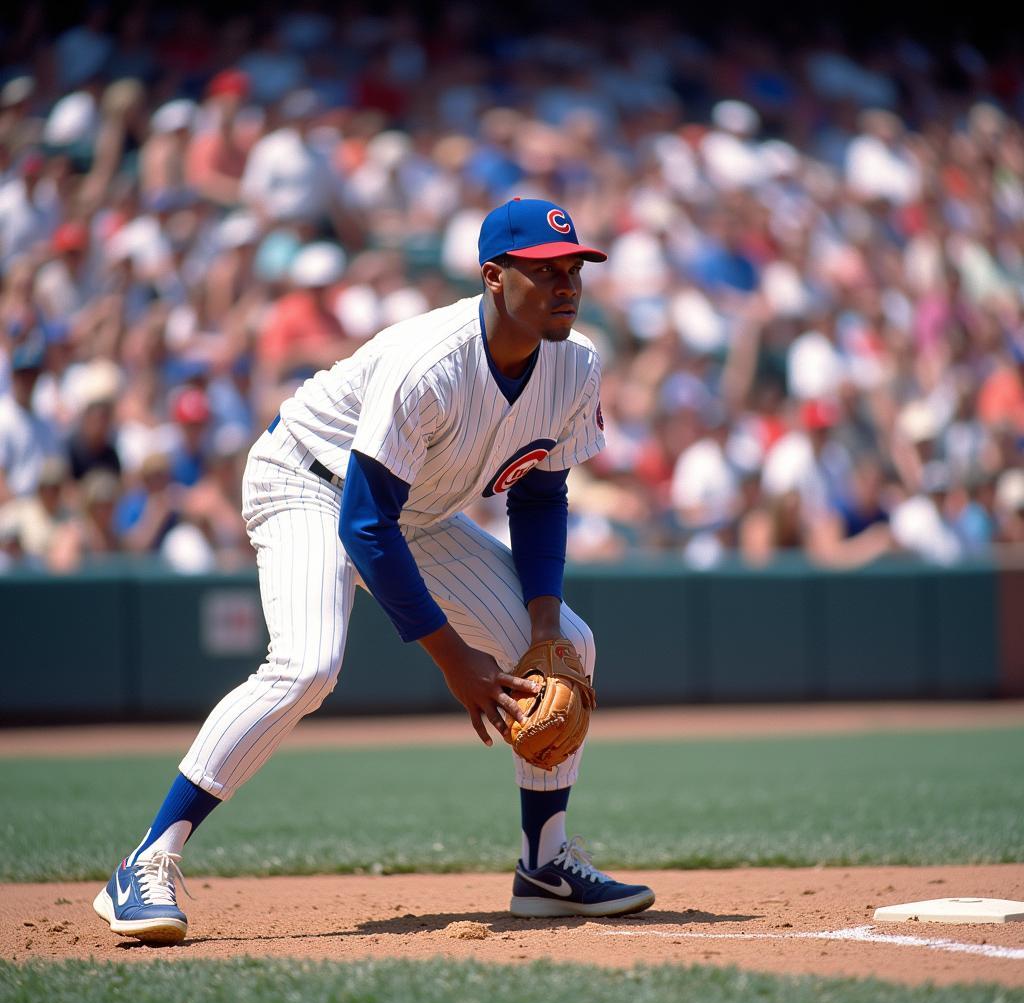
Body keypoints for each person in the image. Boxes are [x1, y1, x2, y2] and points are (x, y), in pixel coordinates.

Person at [93, 197, 655, 943]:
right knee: (308, 665)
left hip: (411, 508)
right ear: (493, 276)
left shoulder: (575, 363)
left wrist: (542, 620)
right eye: (543, 270)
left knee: (570, 645)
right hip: (307, 479)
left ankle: (543, 866)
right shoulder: (429, 362)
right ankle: (147, 860)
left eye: (575, 268)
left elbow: (542, 492)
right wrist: (455, 660)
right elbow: (362, 525)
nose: (566, 284)